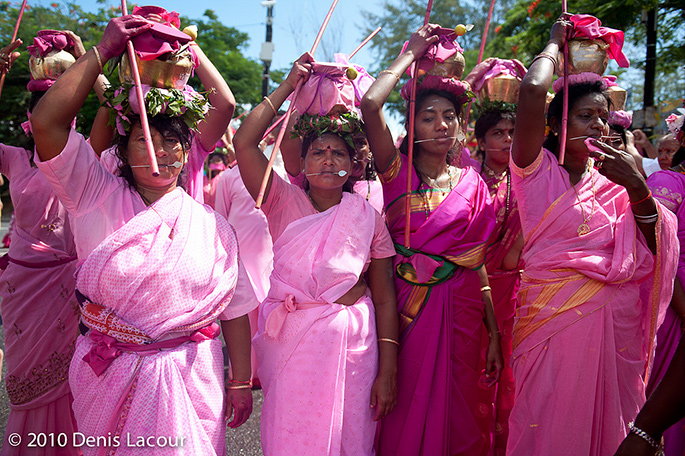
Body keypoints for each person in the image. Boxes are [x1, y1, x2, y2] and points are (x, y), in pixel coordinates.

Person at [29, 14, 256, 455]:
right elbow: (46, 125)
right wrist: (103, 51)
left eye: (173, 141)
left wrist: (242, 380)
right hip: (108, 375)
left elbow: (235, 308)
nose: (161, 151)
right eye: (144, 139)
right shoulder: (93, 192)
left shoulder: (211, 226)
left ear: (187, 149)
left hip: (192, 375)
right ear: (122, 146)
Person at [506, 15, 677, 455]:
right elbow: (531, 91)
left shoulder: (621, 181)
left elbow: (660, 251)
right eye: (585, 116)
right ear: (556, 125)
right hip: (551, 324)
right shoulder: (535, 170)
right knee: (546, 426)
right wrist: (553, 45)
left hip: (615, 328)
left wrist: (637, 187)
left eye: (603, 118)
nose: (598, 127)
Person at [234, 52, 399, 456]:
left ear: (353, 164)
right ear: (302, 164)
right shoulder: (280, 200)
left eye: (338, 152)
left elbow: (383, 296)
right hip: (293, 348)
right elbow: (243, 142)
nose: (328, 158)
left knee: (350, 440)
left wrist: (389, 369)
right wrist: (290, 86)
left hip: (355, 350)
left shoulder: (368, 216)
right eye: (318, 151)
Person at [361, 24, 503, 455]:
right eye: (428, 116)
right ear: (413, 123)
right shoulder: (394, 172)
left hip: (461, 310)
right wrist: (412, 53)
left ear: (460, 126)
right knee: (402, 407)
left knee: (458, 414)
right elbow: (370, 104)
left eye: (449, 117)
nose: (440, 125)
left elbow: (474, 260)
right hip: (405, 309)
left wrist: (494, 331)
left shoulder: (474, 183)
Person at [0, 30, 109, 455]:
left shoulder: (84, 154)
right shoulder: (13, 159)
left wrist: (89, 55)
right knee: (27, 380)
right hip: (23, 289)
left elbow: (116, 109)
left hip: (71, 287)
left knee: (76, 381)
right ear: (29, 119)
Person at [473, 105, 524, 454]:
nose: (507, 139)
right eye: (497, 133)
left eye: (511, 132)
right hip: (470, 287)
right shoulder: (465, 180)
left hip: (515, 291)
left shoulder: (529, 180)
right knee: (472, 371)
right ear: (480, 141)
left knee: (510, 377)